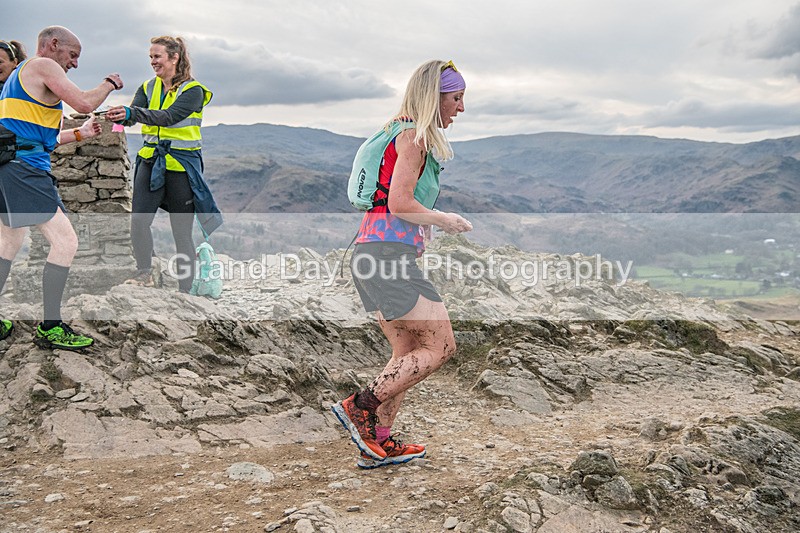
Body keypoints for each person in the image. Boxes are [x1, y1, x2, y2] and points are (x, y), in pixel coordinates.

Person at [332, 60, 473, 469]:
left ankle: (378, 442)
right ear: (434, 97)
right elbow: (400, 203)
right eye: (456, 98)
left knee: (407, 350)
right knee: (441, 346)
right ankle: (360, 406)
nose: (461, 108)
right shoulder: (414, 137)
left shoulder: (396, 131)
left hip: (371, 254)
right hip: (386, 258)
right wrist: (443, 219)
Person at [0, 26, 123, 349]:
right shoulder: (42, 65)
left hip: (11, 166)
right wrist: (109, 83)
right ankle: (51, 327)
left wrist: (82, 133)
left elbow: (44, 139)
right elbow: (83, 102)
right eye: (73, 55)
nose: (75, 63)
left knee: (9, 242)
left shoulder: (20, 80)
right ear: (53, 44)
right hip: (25, 170)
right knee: (65, 241)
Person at [106, 36, 221, 293]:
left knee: (181, 232)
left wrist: (132, 113)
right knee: (139, 220)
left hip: (181, 167)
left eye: (157, 56)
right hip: (150, 161)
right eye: (150, 57)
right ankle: (144, 274)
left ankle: (185, 290)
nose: (152, 62)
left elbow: (168, 117)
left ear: (174, 57)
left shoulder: (193, 90)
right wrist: (118, 117)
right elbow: (133, 116)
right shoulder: (148, 87)